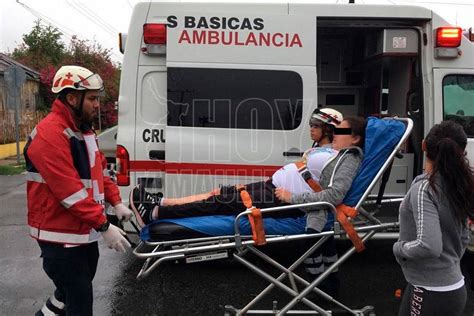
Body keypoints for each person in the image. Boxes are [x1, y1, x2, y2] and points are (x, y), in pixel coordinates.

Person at [25, 65, 133, 316]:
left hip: (81, 232)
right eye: (93, 98)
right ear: (72, 98)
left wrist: (116, 202)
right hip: (59, 236)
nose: (98, 105)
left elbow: (102, 172)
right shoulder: (50, 134)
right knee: (80, 301)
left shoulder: (83, 131)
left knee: (67, 294)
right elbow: (69, 191)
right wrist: (104, 225)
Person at [130, 117, 366, 232]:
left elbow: (333, 195)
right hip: (271, 187)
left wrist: (291, 198)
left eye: (342, 130)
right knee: (220, 194)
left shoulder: (349, 159)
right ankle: (160, 203)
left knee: (219, 202)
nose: (336, 133)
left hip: (281, 200)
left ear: (354, 138)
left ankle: (154, 213)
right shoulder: (333, 152)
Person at [393, 120, 474, 316]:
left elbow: (429, 245)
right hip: (452, 286)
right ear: (462, 151)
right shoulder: (459, 184)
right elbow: (464, 236)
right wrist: (449, 263)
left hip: (430, 291)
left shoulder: (425, 189)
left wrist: (399, 249)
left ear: (423, 145)